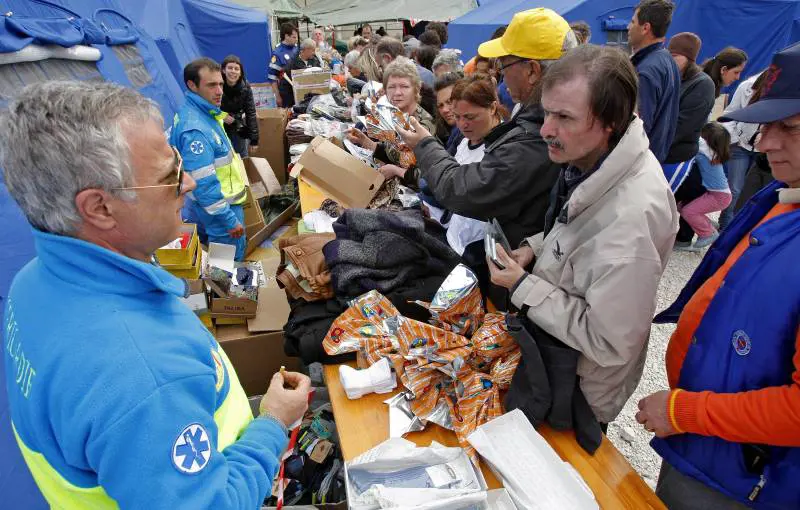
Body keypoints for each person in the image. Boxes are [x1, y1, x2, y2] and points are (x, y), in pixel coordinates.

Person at [1, 80, 312, 508]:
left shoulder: (33, 283)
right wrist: (274, 422)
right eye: (168, 176)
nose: (187, 184)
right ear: (99, 207)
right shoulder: (142, 373)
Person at [638, 41, 800, 510]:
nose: (766, 144)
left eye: (789, 128)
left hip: (753, 479)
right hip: (712, 451)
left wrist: (683, 410)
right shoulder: (780, 197)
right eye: (766, 126)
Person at [487, 44, 678, 428]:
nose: (545, 130)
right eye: (546, 112)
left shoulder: (632, 218)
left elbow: (609, 342)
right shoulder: (594, 160)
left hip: (575, 393)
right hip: (555, 361)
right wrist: (533, 249)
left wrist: (523, 286)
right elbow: (579, 233)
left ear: (610, 121)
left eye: (564, 117)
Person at [396, 8, 573, 251]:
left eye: (504, 63)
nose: (499, 72)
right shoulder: (534, 117)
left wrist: (424, 144)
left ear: (532, 71)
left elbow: (463, 190)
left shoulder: (537, 137)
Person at [172, 58, 248, 260]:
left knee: (221, 262)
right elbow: (203, 184)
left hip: (216, 206)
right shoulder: (196, 128)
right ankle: (229, 292)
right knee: (227, 265)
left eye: (221, 84)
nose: (219, 91)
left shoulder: (203, 112)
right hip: (221, 210)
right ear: (192, 85)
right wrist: (229, 220)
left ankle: (224, 290)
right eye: (212, 85)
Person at [425, 75, 506, 259]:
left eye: (470, 117)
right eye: (458, 117)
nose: (462, 124)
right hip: (452, 237)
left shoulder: (503, 150)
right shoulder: (463, 139)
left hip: (476, 251)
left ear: (492, 108)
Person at [346, 57, 435, 187]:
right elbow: (396, 154)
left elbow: (430, 177)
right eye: (392, 87)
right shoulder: (396, 116)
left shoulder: (423, 125)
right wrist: (365, 141)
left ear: (417, 88)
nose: (397, 93)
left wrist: (396, 171)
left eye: (404, 86)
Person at [628, 0, 681, 163]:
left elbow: (638, 128)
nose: (628, 27)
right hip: (653, 158)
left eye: (632, 22)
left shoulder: (646, 71)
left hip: (636, 164)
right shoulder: (666, 59)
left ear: (645, 28)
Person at [663, 32, 715, 190]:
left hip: (675, 157)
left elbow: (683, 127)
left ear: (690, 59)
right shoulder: (671, 78)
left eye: (675, 56)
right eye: (668, 56)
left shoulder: (703, 85)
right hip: (656, 152)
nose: (670, 61)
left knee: (659, 203)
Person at [675, 122, 732, 250]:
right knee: (682, 206)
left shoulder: (705, 151)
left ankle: (708, 233)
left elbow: (696, 144)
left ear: (707, 139)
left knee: (687, 211)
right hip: (719, 194)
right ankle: (705, 223)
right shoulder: (713, 153)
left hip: (719, 197)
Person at [220, 55, 259, 158]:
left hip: (237, 126)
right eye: (230, 68)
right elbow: (208, 106)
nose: (233, 71)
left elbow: (251, 112)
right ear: (223, 70)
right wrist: (221, 115)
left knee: (242, 156)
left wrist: (254, 140)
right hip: (219, 127)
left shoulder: (246, 87)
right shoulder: (217, 85)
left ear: (240, 72)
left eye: (236, 69)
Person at [268, 22, 299, 108]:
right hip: (286, 93)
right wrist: (278, 97)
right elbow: (272, 77)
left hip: (298, 89)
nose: (296, 39)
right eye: (294, 37)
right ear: (286, 36)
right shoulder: (277, 53)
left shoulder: (297, 49)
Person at [433, 72, 464, 155]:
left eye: (449, 102)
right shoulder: (442, 132)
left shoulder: (469, 133)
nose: (444, 110)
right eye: (440, 105)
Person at [286, 39, 323, 107]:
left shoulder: (315, 60)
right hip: (297, 98)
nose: (314, 53)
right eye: (312, 50)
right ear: (306, 49)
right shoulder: (293, 62)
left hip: (313, 97)